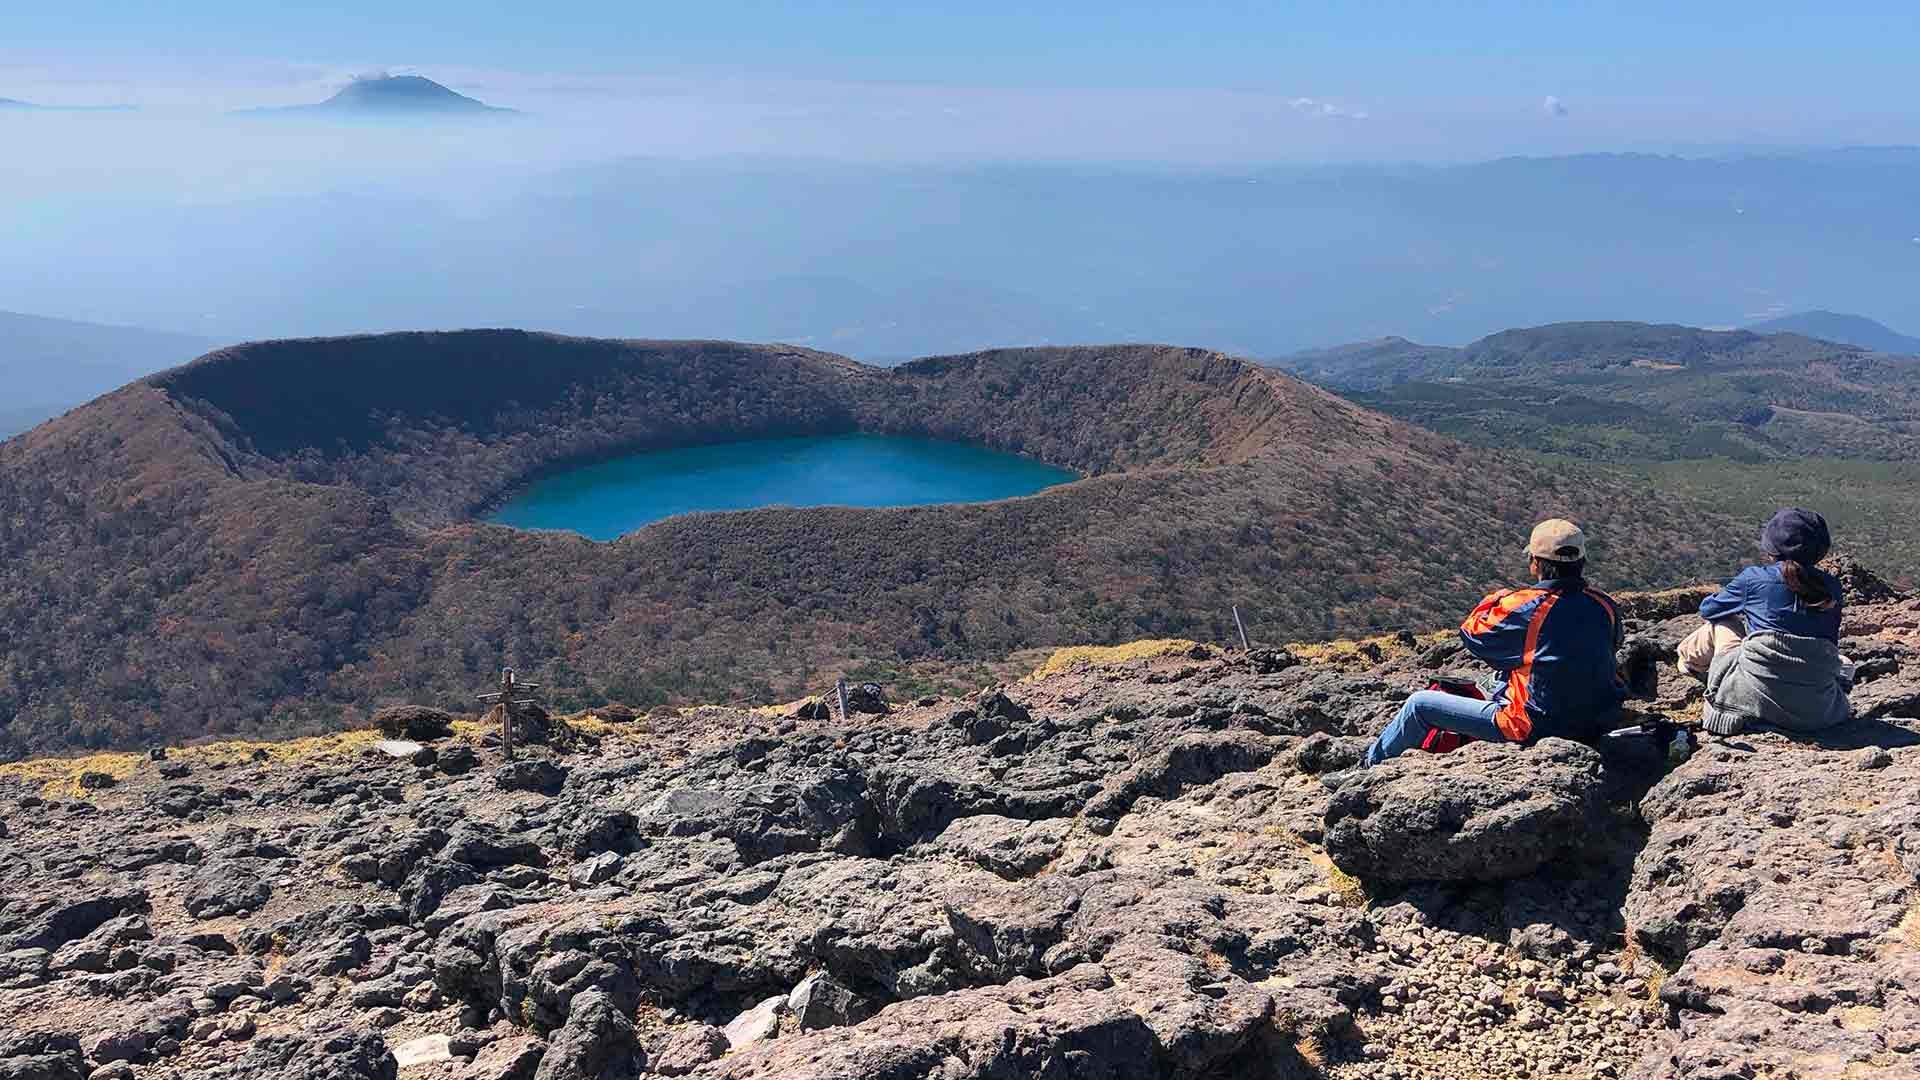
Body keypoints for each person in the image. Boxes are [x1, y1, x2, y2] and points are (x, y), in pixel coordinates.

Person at [1363, 519, 1626, 765]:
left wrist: (1493, 600)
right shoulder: (1604, 603)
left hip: (1538, 726)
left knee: (1419, 704)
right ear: (1582, 560)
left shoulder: (1526, 605)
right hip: (1602, 718)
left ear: (1535, 563)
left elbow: (1472, 634)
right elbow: (1609, 646)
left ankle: (1366, 768)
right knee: (1504, 676)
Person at [1685, 508, 1853, 735]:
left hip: (1753, 699)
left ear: (1771, 546)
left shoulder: (1753, 578)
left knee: (1723, 623)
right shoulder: (1832, 586)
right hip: (1817, 711)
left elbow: (1709, 610)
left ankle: (1693, 666)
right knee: (1845, 662)